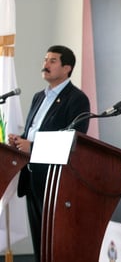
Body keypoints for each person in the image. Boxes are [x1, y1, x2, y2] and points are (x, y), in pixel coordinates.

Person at [8, 45, 90, 262]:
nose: (46, 64)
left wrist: (32, 147)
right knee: (39, 244)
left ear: (67, 68)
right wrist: (20, 141)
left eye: (53, 60)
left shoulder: (77, 99)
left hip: (56, 182)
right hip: (32, 177)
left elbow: (73, 142)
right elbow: (32, 131)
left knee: (55, 245)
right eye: (45, 59)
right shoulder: (38, 97)